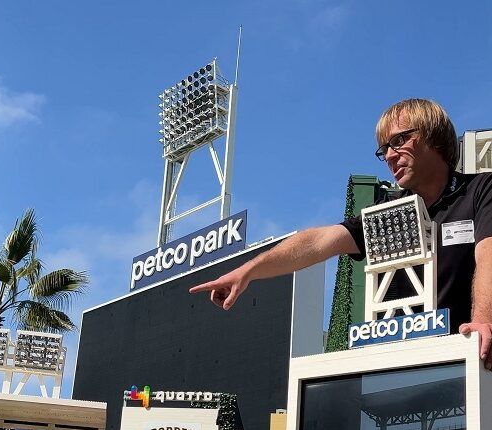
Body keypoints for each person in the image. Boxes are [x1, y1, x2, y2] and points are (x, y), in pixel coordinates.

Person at [190, 99, 492, 368]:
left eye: (399, 140)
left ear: (435, 138)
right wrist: (249, 271)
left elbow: (488, 254)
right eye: (383, 149)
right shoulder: (390, 212)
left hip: (472, 354)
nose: (389, 155)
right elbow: (320, 242)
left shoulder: (480, 190)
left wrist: (481, 321)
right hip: (409, 366)